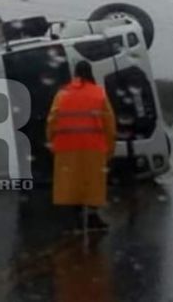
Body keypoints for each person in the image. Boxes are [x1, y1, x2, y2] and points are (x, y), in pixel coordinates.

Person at [46, 61, 116, 231]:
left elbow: (52, 120)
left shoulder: (63, 94)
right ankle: (92, 217)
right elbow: (109, 124)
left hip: (66, 147)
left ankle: (73, 219)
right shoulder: (99, 94)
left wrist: (51, 141)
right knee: (91, 183)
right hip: (93, 147)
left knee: (70, 183)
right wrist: (109, 148)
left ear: (75, 74)